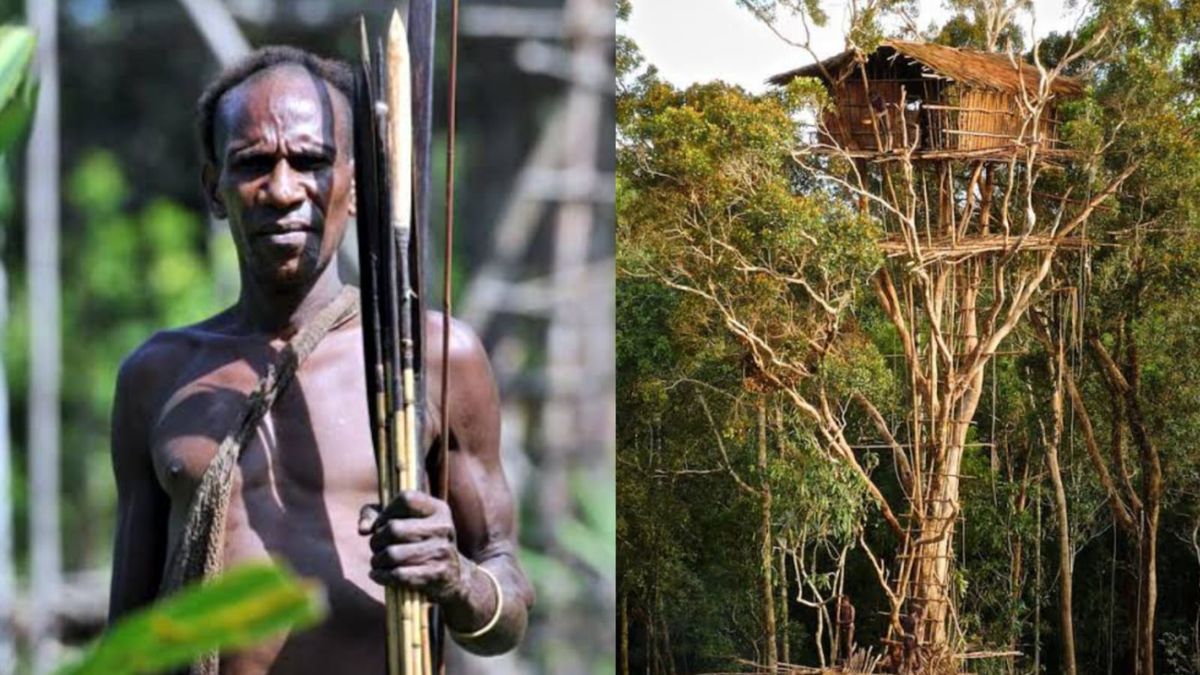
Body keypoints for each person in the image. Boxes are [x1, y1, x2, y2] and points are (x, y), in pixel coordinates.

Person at [107, 46, 532, 673]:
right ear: (214, 190)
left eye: (310, 161)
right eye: (253, 164)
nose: (283, 190)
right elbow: (130, 632)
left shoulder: (434, 358)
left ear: (355, 187)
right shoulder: (158, 376)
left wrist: (457, 578)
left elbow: (508, 606)